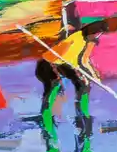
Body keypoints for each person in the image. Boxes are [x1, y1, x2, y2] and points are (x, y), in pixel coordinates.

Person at [35, 8, 99, 137]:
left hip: (63, 63)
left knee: (83, 85)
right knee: (54, 88)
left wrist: (94, 76)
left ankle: (83, 118)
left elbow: (85, 60)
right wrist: (85, 74)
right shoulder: (77, 39)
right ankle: (47, 123)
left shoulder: (89, 41)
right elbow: (75, 61)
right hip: (48, 64)